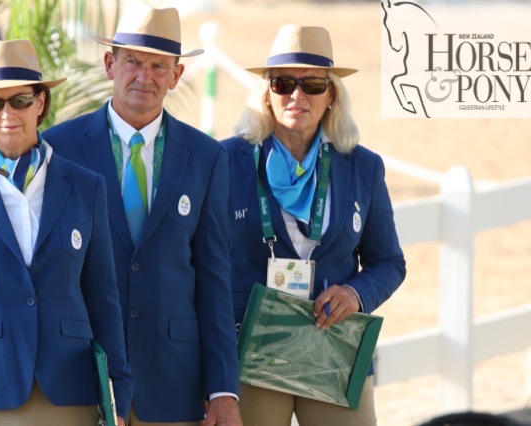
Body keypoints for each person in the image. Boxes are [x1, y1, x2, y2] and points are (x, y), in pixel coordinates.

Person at [42, 2, 241, 425]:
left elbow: (214, 280)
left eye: (158, 66)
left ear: (177, 75)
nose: (144, 77)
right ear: (110, 64)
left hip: (173, 382)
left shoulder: (206, 157)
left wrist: (224, 390)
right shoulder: (57, 148)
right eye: (133, 62)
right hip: (81, 376)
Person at [0, 39, 133, 426]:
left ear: (41, 103)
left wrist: (119, 397)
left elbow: (103, 301)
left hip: (69, 394)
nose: (6, 114)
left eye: (20, 100)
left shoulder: (87, 188)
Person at [221, 25, 406, 426]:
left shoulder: (364, 167)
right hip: (250, 348)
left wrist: (355, 295)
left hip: (333, 346)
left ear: (332, 95)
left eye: (313, 84)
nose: (297, 95)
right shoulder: (224, 162)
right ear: (267, 94)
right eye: (284, 83)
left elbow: (389, 262)